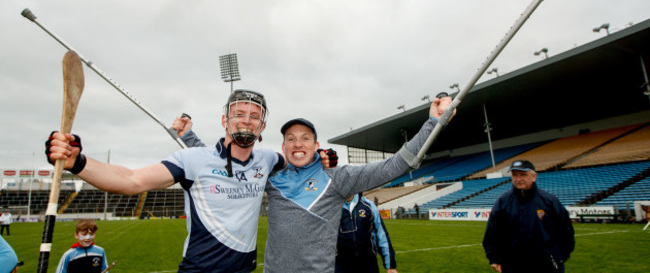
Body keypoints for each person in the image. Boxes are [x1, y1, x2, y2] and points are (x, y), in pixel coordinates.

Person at [180, 93, 455, 273]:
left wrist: (433, 123)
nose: (297, 143)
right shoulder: (271, 177)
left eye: (305, 138)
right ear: (283, 147)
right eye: (290, 138)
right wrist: (189, 137)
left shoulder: (339, 177)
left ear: (316, 145)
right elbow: (223, 163)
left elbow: (396, 165)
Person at [46, 89, 285, 273]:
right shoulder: (192, 160)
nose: (247, 120)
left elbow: (301, 158)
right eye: (239, 114)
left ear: (262, 125)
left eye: (255, 116)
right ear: (225, 120)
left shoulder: (268, 159)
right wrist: (78, 163)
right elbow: (132, 180)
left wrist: (323, 158)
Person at [482, 160, 575, 273]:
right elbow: (491, 233)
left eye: (523, 175)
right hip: (513, 265)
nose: (518, 179)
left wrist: (557, 258)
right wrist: (494, 258)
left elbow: (566, 232)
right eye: (515, 175)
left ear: (533, 176)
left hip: (547, 267)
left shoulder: (549, 201)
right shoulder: (503, 202)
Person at [335, 193, 397, 273]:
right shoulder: (331, 209)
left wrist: (390, 266)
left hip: (368, 264)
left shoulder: (369, 206)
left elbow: (382, 236)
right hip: (341, 265)